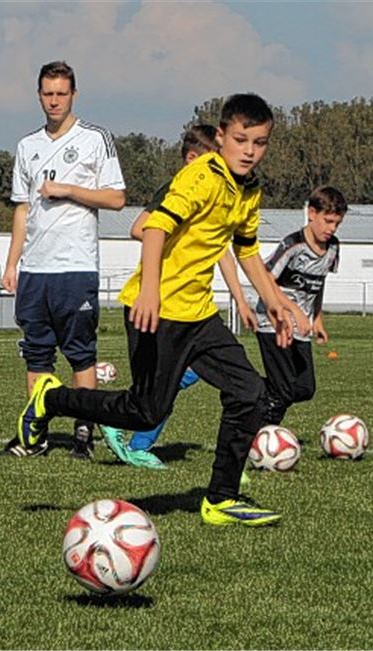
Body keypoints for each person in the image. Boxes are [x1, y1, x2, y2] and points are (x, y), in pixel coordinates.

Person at [16, 94, 310, 526]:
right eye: (241, 139)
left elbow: (246, 250)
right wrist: (150, 291)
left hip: (199, 315)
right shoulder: (201, 177)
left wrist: (274, 299)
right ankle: (51, 398)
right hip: (156, 311)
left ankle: (221, 500)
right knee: (145, 411)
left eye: (260, 142)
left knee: (249, 393)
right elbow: (153, 228)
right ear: (222, 137)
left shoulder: (249, 188)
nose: (250, 150)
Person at [99, 124, 259, 470]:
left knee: (195, 376)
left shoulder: (219, 194)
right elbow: (140, 227)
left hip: (193, 306)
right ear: (194, 158)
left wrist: (241, 299)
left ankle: (138, 434)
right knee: (169, 383)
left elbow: (225, 253)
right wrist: (169, 246)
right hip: (165, 303)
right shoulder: (179, 186)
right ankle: (130, 429)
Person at [0, 61, 126, 459]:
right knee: (37, 353)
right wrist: (11, 263)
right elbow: (22, 208)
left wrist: (69, 189)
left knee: (80, 353)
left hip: (75, 266)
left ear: (73, 94)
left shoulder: (95, 139)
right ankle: (33, 437)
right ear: (39, 95)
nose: (54, 101)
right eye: (47, 93)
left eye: (61, 93)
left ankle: (82, 436)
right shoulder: (27, 146)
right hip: (35, 270)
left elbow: (116, 198)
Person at [254, 186, 346, 426]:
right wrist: (293, 311)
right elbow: (265, 277)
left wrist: (317, 319)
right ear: (311, 213)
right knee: (283, 389)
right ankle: (264, 434)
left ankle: (249, 392)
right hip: (273, 321)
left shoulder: (333, 248)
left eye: (337, 223)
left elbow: (319, 283)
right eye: (327, 222)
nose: (331, 229)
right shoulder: (293, 244)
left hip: (302, 326)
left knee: (305, 388)